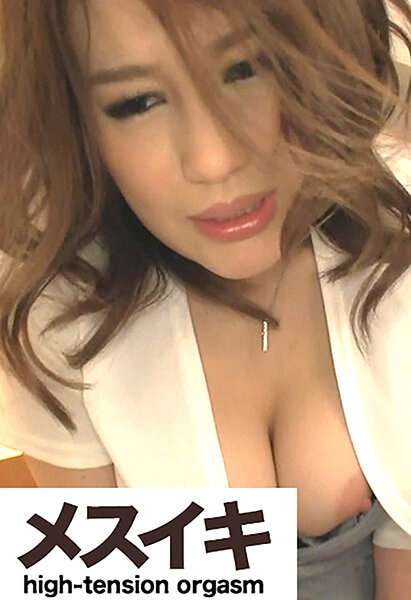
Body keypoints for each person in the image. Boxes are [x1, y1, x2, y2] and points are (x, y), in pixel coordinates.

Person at [0, 0, 411, 597]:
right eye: (137, 102)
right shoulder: (56, 308)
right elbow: (101, 576)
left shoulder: (393, 225)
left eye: (247, 67)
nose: (214, 160)